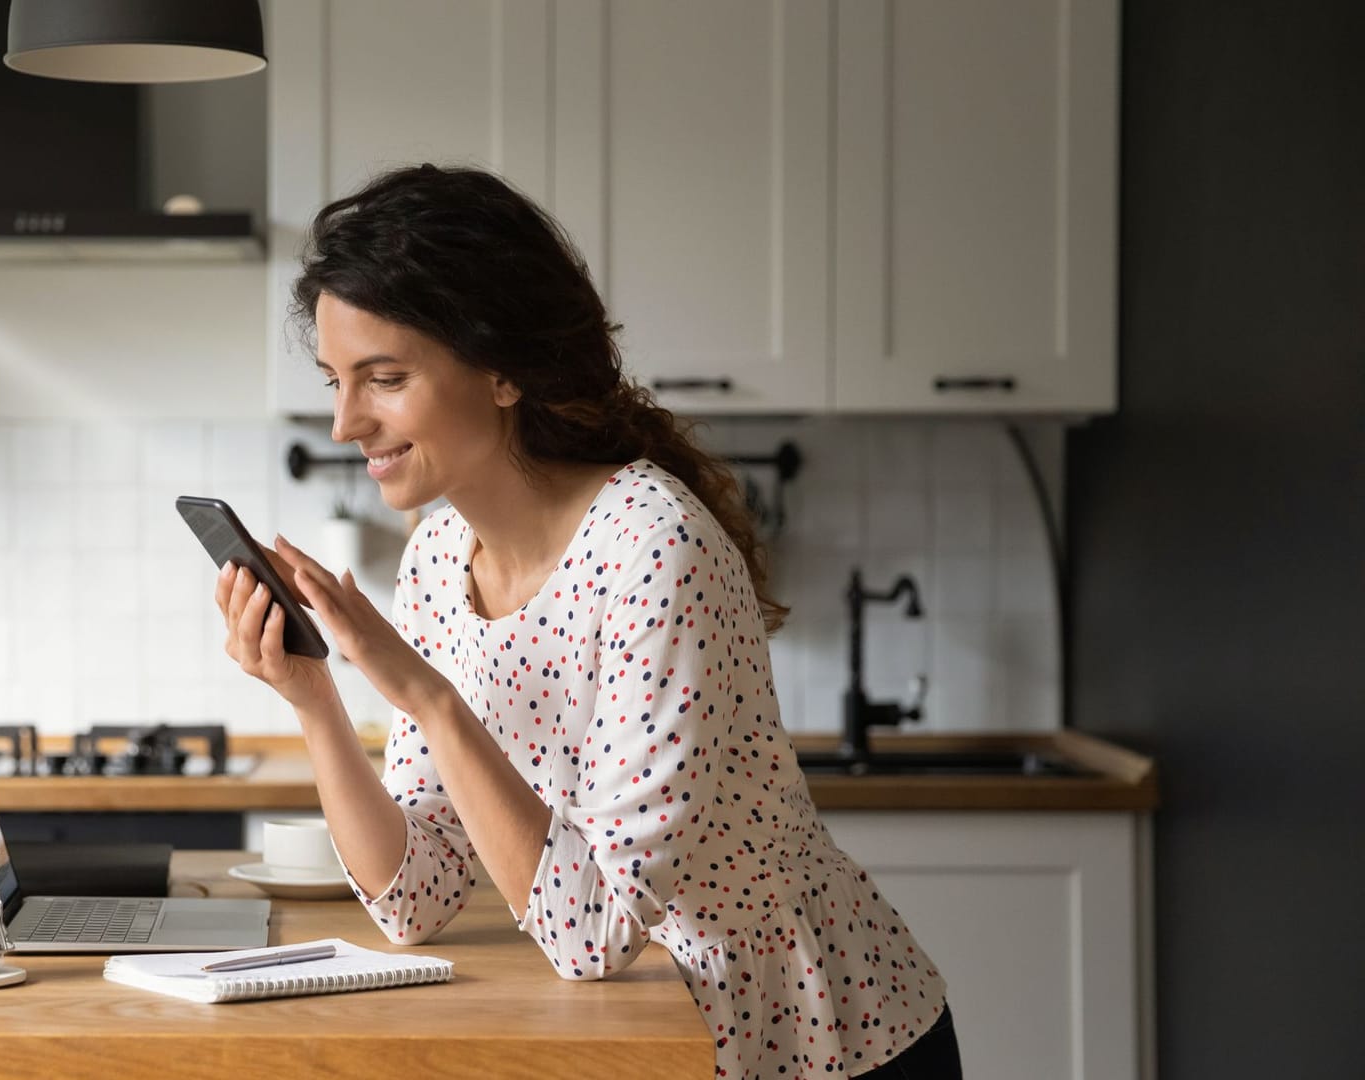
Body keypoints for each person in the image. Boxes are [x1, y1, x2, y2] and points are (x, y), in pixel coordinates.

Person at [211, 163, 959, 1079]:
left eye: (385, 378)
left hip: (820, 1039)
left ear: (502, 373)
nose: (344, 423)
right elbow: (417, 895)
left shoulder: (654, 546)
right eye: (336, 380)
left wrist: (426, 694)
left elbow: (596, 930)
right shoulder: (438, 557)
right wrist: (317, 696)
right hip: (653, 1037)